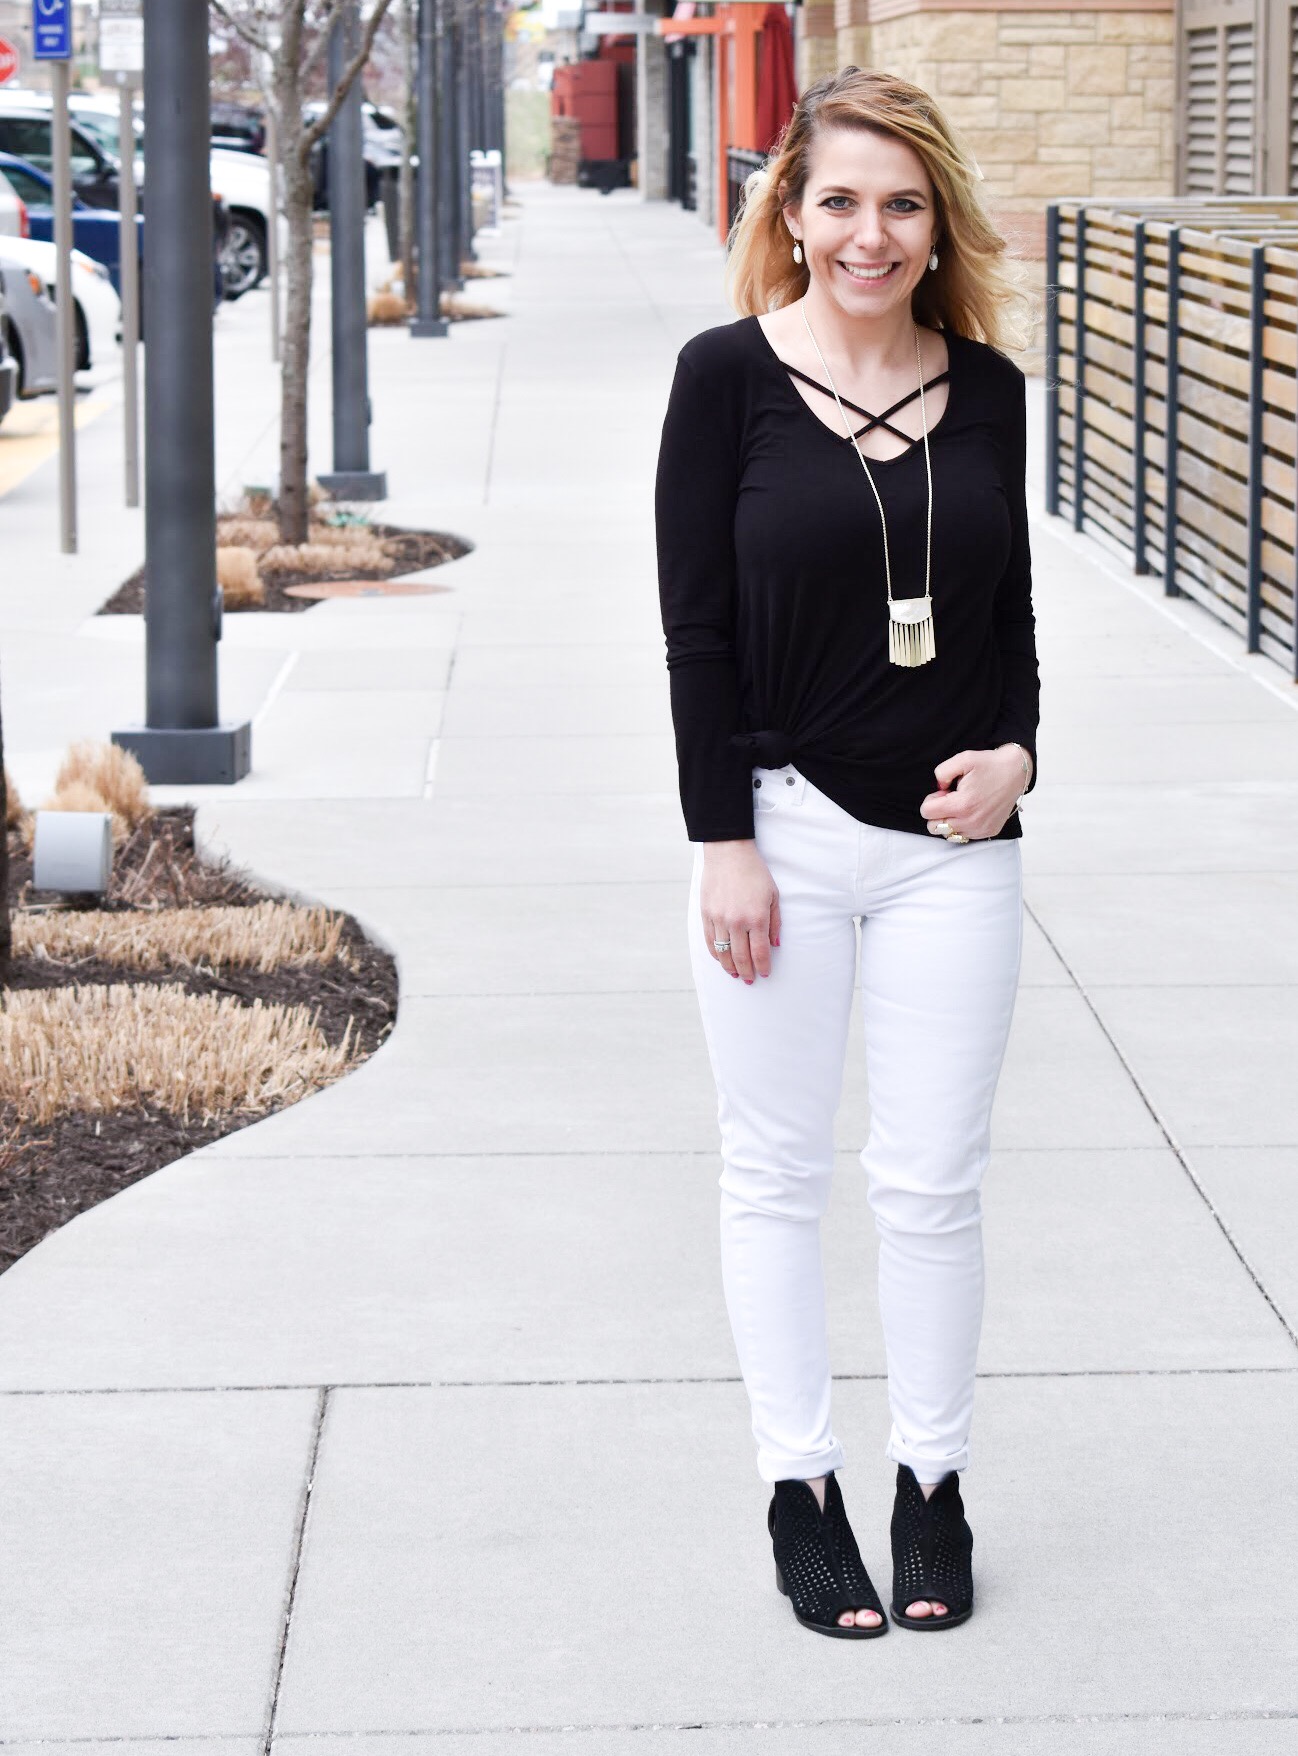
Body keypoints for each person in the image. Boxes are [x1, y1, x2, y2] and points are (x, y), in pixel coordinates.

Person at [654, 66, 1040, 1639]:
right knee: (775, 1172)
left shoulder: (992, 386)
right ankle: (799, 1489)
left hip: (958, 846)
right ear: (790, 217)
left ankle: (929, 1487)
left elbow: (1008, 621)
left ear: (934, 218)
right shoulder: (723, 377)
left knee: (931, 1183)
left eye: (899, 202)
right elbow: (693, 634)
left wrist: (1020, 755)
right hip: (783, 835)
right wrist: (721, 841)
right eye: (837, 202)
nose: (868, 234)